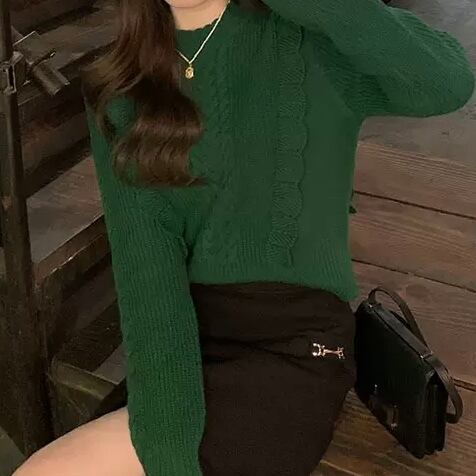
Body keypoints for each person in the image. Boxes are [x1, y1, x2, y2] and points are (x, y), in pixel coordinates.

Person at [15, 0, 474, 475]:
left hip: (298, 344)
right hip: (187, 343)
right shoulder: (122, 92)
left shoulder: (307, 39)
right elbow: (148, 278)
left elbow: (446, 82)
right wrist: (170, 453)